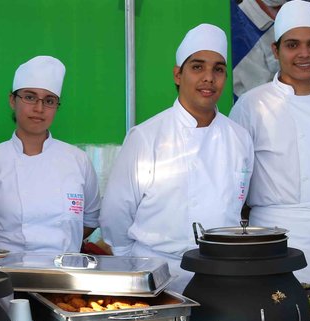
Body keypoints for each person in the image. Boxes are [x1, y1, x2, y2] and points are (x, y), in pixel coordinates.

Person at [101, 24, 255, 292]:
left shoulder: (239, 138)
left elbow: (239, 204)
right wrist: (133, 265)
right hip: (156, 275)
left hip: (219, 275)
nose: (209, 77)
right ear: (177, 74)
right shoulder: (146, 136)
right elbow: (116, 215)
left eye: (218, 69)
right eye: (197, 67)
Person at [229, 0, 310, 298]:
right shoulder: (252, 104)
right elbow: (235, 180)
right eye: (292, 45)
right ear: (276, 51)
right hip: (276, 234)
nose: (304, 54)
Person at [0, 56, 100, 253]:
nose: (39, 108)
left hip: (65, 275)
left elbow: (90, 220)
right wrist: (4, 246)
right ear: (12, 100)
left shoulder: (79, 161)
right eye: (29, 97)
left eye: (49, 100)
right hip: (8, 273)